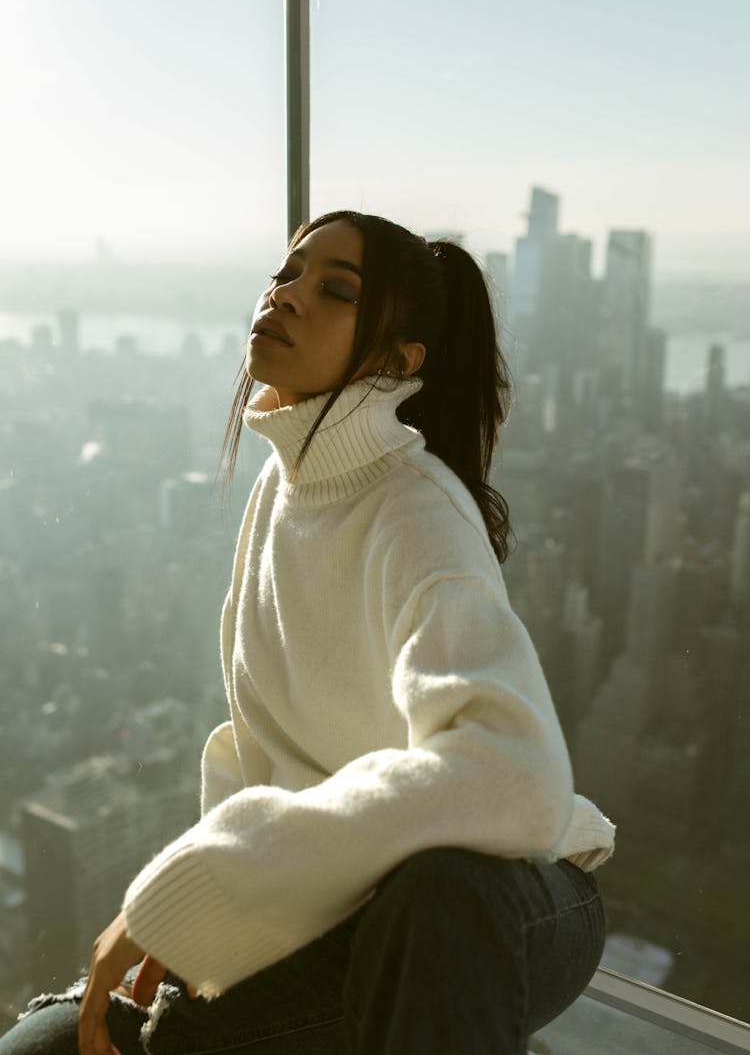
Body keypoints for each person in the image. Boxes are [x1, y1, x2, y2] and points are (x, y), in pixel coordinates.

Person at [2, 211, 616, 1055]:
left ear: (398, 360)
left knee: (429, 898)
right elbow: (259, 755)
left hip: (504, 901)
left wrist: (205, 883)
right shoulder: (281, 490)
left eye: (335, 288)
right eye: (287, 272)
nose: (287, 294)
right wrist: (198, 931)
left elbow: (516, 780)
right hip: (341, 911)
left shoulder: (414, 507)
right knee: (46, 1043)